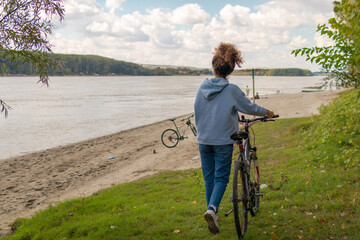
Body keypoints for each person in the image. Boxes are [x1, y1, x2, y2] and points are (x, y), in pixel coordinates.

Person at [194, 42, 274, 235]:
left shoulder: (201, 87)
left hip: (203, 140)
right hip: (222, 140)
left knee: (209, 178)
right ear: (230, 70)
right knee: (221, 177)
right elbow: (250, 107)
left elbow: (198, 111)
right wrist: (268, 112)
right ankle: (212, 210)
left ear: (213, 66)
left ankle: (212, 211)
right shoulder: (231, 90)